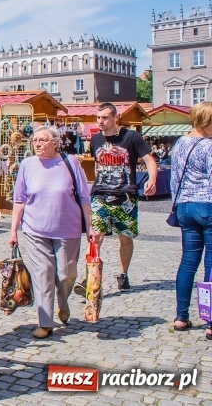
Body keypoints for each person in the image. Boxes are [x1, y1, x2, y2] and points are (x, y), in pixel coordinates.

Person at [8, 126, 95, 339]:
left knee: (66, 274)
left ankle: (63, 300)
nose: (37, 144)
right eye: (35, 140)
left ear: (55, 143)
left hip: (68, 228)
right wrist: (13, 230)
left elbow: (84, 197)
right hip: (35, 229)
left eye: (43, 140)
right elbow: (19, 199)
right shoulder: (27, 165)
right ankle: (45, 322)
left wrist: (90, 226)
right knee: (43, 273)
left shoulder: (70, 162)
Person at [76, 103, 157, 294]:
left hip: (126, 196)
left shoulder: (131, 137)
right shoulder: (95, 140)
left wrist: (152, 179)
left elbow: (149, 160)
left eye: (104, 117)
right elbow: (98, 165)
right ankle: (91, 276)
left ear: (115, 118)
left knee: (125, 238)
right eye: (98, 117)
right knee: (95, 237)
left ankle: (122, 274)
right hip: (100, 195)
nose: (100, 121)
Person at [170, 101, 212, 338]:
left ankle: (181, 316)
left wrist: (177, 205)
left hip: (185, 206)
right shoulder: (208, 146)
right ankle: (210, 319)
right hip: (208, 205)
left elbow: (175, 178)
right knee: (211, 264)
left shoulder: (180, 144)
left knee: (188, 262)